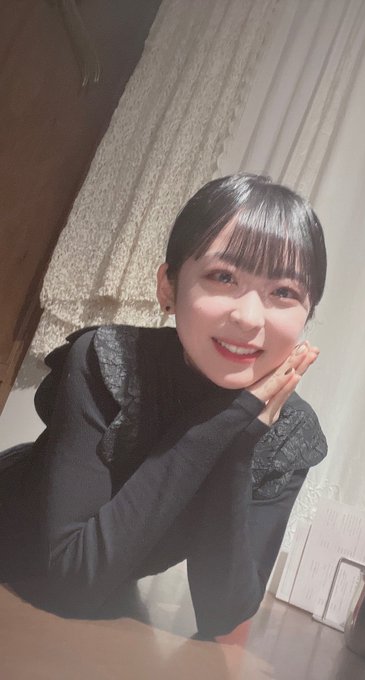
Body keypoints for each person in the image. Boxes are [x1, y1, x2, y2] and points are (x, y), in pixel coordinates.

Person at [0, 173, 328, 640]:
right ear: (168, 287)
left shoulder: (287, 429)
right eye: (223, 277)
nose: (249, 317)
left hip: (90, 612)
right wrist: (224, 423)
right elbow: (73, 578)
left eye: (284, 293)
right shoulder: (111, 361)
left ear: (307, 313)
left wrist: (239, 445)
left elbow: (223, 612)